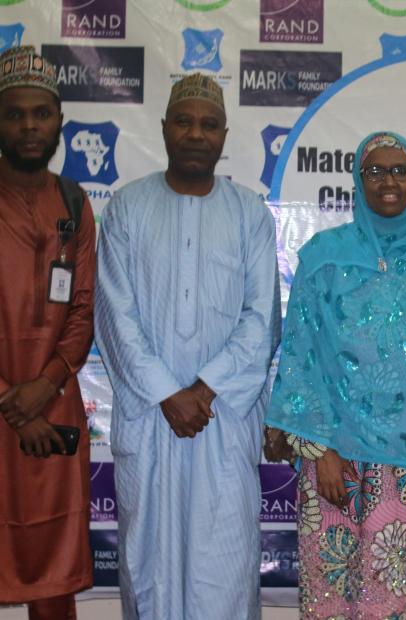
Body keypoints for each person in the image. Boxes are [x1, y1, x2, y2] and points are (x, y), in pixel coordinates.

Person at [265, 131, 406, 619]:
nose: (389, 181)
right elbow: (301, 356)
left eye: (400, 170)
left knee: (397, 602)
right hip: (336, 463)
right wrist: (319, 450)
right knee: (330, 598)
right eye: (376, 171)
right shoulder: (324, 257)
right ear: (358, 180)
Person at [94, 73, 281, 620]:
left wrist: (203, 389)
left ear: (224, 135)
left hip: (220, 420)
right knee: (148, 569)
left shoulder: (249, 214)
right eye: (184, 121)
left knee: (223, 571)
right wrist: (167, 393)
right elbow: (114, 314)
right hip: (151, 418)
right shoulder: (127, 208)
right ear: (164, 130)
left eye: (208, 124)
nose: (195, 134)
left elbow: (260, 319)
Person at [0, 45, 95, 619]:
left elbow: (82, 310)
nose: (29, 125)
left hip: (55, 404)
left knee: (53, 568)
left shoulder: (73, 202)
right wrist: (13, 400)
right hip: (12, 403)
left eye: (41, 113)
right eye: (14, 113)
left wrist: (44, 387)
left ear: (60, 120)